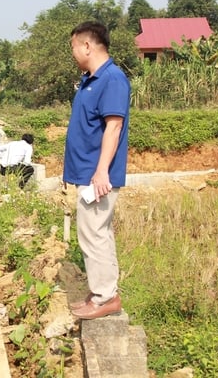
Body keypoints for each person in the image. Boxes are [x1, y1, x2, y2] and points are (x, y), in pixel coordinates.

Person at [63, 21, 131, 320]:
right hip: (88, 173)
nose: (74, 53)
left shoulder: (112, 79)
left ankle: (105, 298)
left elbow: (113, 127)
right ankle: (101, 293)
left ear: (87, 46)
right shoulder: (90, 79)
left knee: (93, 234)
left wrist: (102, 170)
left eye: (74, 47)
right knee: (96, 233)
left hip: (97, 176)